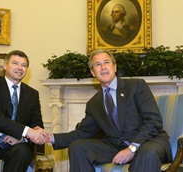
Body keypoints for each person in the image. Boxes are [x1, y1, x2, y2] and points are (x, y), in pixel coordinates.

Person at [41, 49, 172, 172]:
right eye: (97, 64)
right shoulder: (94, 104)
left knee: (147, 153)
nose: (103, 67)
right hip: (116, 146)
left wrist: (132, 148)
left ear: (114, 67)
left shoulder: (136, 86)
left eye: (106, 62)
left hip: (147, 142)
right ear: (93, 72)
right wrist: (50, 137)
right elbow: (82, 133)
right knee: (78, 147)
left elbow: (154, 121)